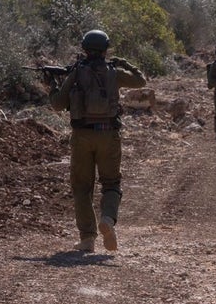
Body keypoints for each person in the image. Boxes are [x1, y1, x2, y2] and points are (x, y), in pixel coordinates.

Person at [50, 29, 147, 253]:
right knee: (111, 183)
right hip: (108, 135)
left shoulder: (77, 72)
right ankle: (108, 219)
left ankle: (87, 239)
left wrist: (53, 85)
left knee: (82, 188)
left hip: (82, 136)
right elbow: (141, 81)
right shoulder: (115, 72)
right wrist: (123, 62)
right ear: (105, 50)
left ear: (84, 49)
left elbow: (57, 104)